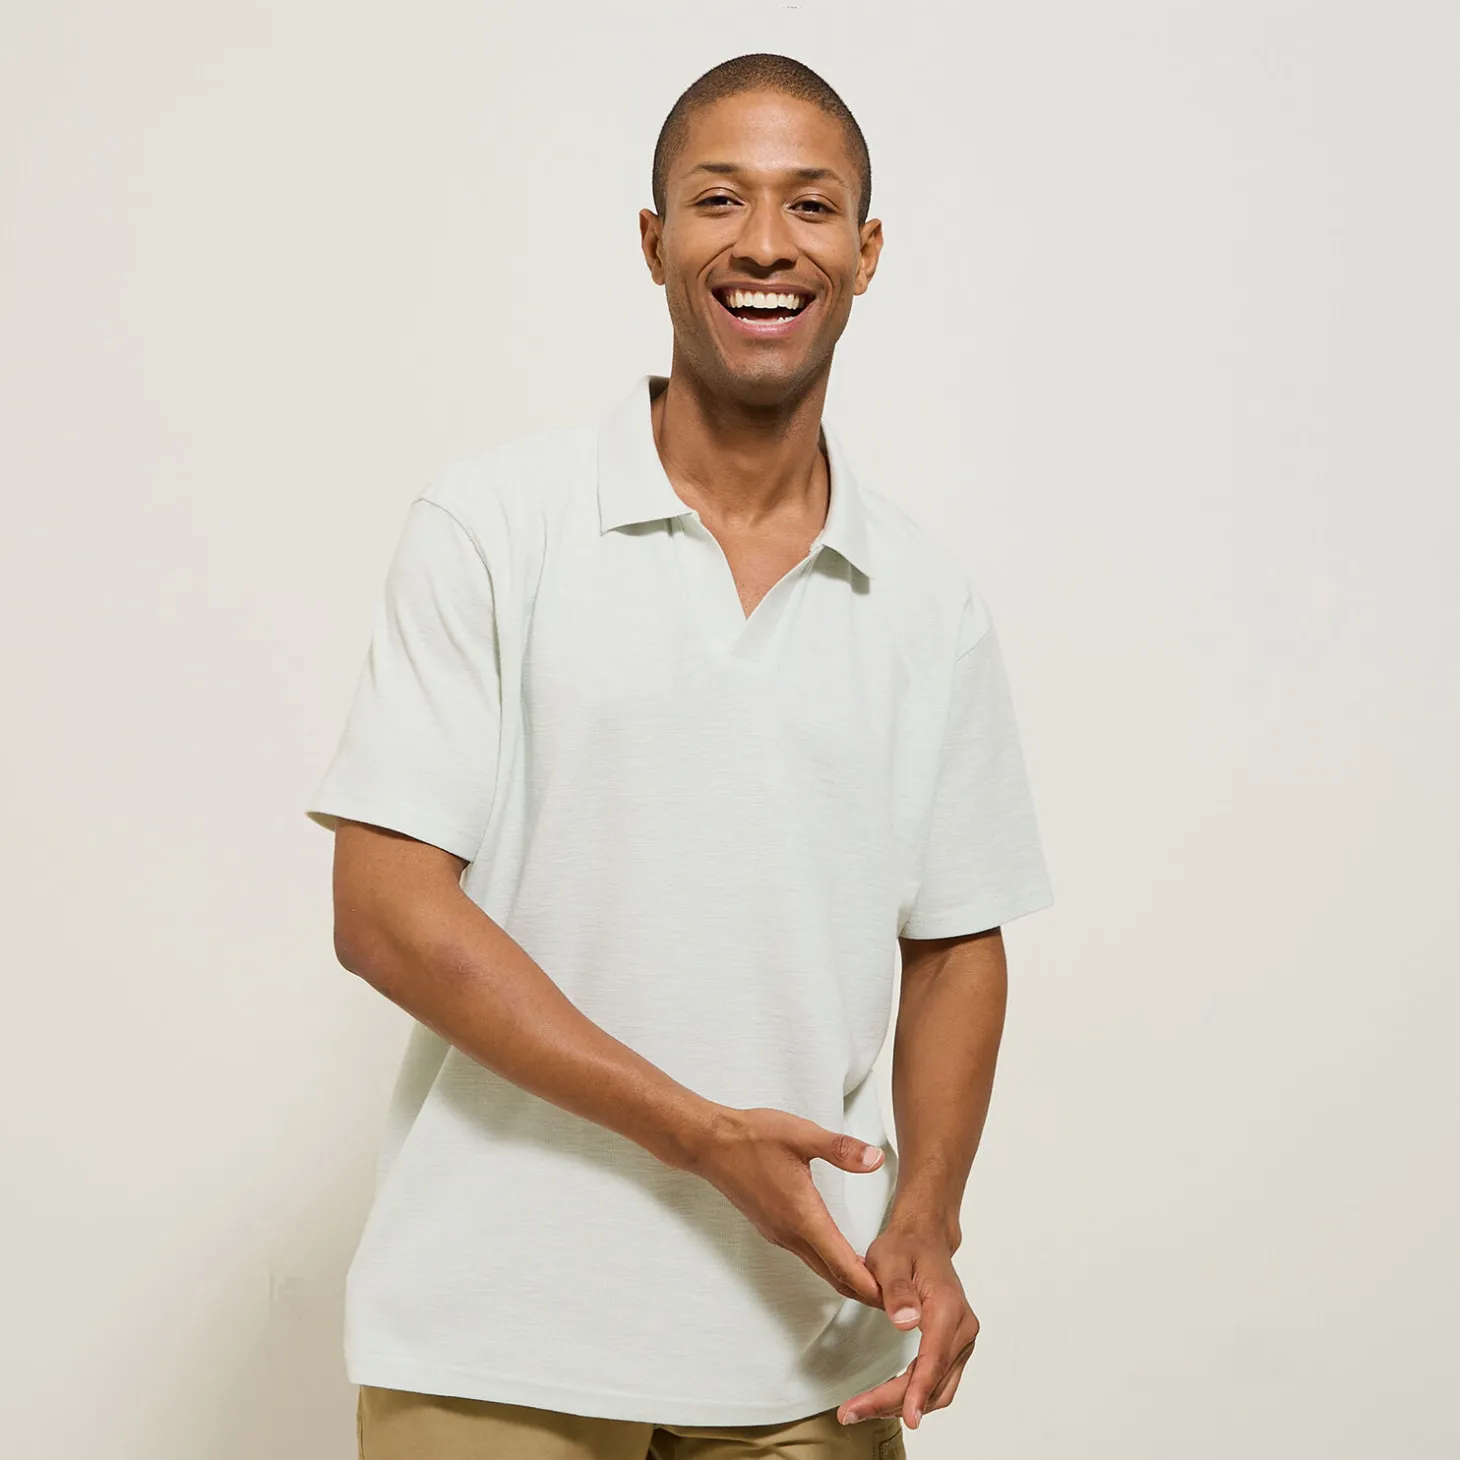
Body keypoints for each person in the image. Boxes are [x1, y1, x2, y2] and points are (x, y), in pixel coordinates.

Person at [306, 51, 1054, 1460]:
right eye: (719, 199)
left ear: (866, 253)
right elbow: (385, 911)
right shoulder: (496, 526)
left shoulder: (928, 599)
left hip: (807, 1347)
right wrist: (701, 1135)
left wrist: (929, 1220)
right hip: (494, 1341)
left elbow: (958, 942)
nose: (766, 242)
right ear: (652, 243)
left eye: (810, 205)